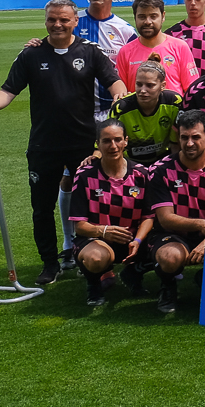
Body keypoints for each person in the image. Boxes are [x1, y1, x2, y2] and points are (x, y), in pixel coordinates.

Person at [0, 0, 125, 284]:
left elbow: (115, 82)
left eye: (64, 19)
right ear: (45, 21)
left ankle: (96, 258)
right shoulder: (30, 55)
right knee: (42, 208)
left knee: (93, 205)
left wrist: (119, 96)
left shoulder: (90, 51)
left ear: (76, 20)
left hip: (84, 146)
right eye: (52, 19)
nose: (58, 24)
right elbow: (8, 91)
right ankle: (49, 264)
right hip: (43, 146)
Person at [142, 109, 205, 314]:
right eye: (184, 137)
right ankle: (168, 286)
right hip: (172, 234)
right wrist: (202, 225)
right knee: (170, 257)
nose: (189, 143)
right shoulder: (160, 169)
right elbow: (165, 219)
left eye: (196, 137)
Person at [68, 120, 152, 306]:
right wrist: (104, 231)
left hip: (133, 239)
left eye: (117, 140)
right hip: (96, 239)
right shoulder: (84, 175)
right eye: (106, 141)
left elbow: (149, 217)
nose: (113, 146)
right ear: (97, 144)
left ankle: (134, 273)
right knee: (96, 258)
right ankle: (94, 285)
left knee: (166, 250)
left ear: (126, 141)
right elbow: (79, 225)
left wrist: (137, 240)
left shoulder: (141, 174)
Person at [72, 0, 138, 115]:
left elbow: (134, 68)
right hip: (75, 110)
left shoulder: (125, 31)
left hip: (111, 108)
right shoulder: (71, 23)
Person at [116, 0, 198, 95]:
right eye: (142, 17)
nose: (147, 22)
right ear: (135, 17)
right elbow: (122, 94)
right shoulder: (125, 52)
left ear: (163, 16)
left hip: (175, 110)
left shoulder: (180, 47)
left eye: (153, 16)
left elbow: (191, 89)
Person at [109, 61, 181, 167]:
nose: (143, 90)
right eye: (139, 84)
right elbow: (107, 142)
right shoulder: (120, 108)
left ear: (163, 86)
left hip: (162, 162)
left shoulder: (174, 103)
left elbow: (176, 144)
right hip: (129, 164)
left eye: (149, 85)